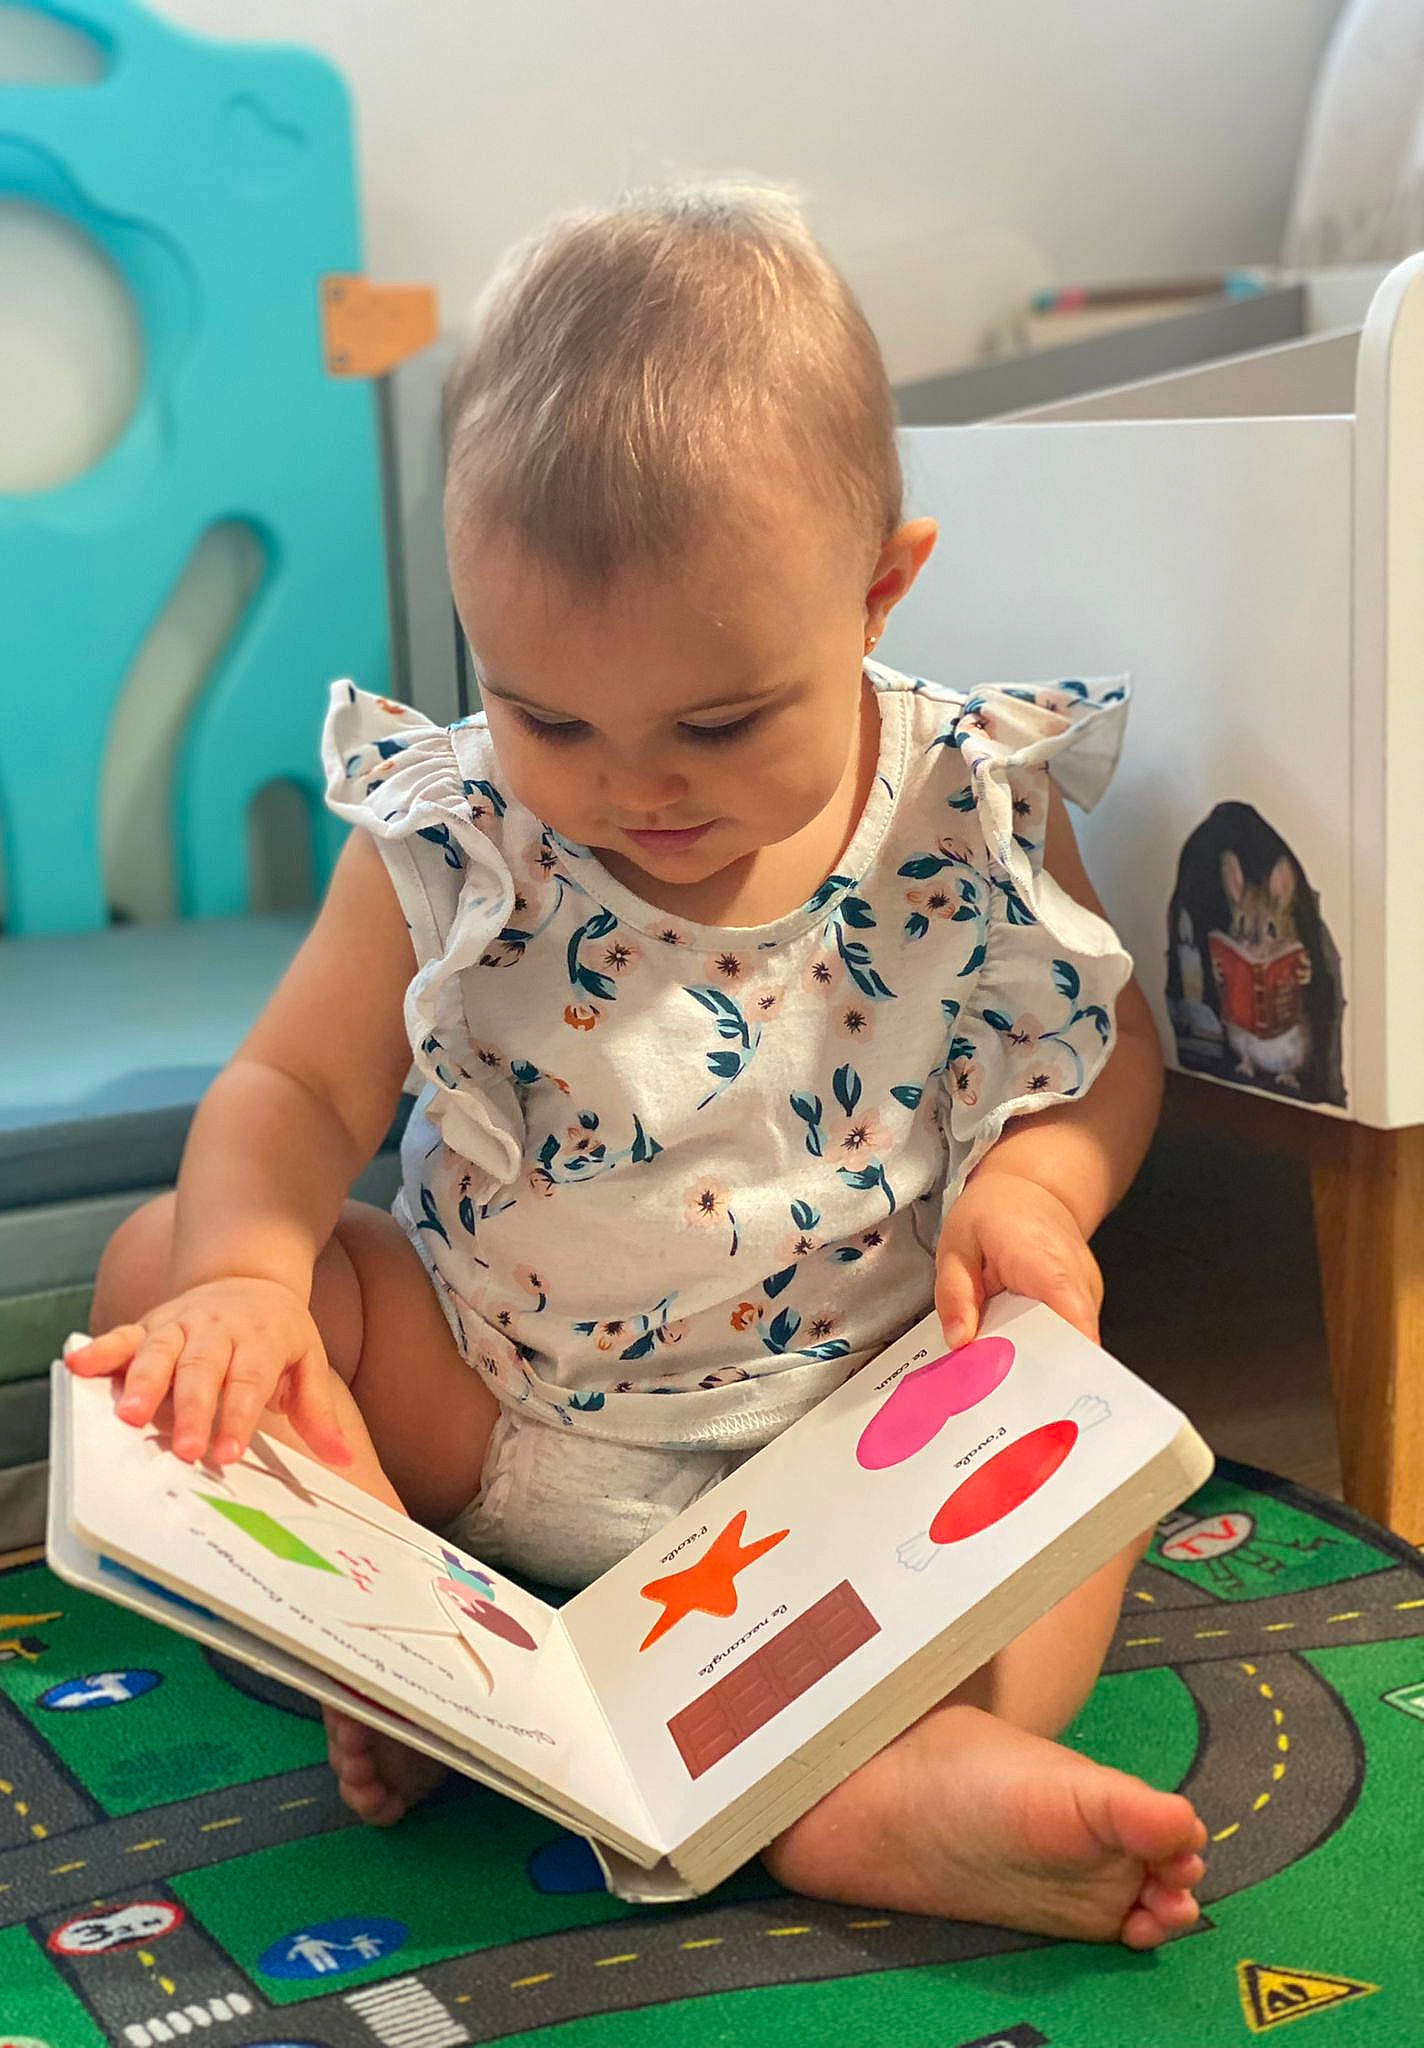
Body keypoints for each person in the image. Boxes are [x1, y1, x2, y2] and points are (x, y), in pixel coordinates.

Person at [69, 182, 1206, 1947]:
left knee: (1073, 1383)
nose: (635, 789)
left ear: (880, 588)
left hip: (865, 1443)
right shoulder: (455, 836)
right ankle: (398, 1635)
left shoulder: (966, 792)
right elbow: (293, 1100)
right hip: (495, 1425)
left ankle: (890, 1775)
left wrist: (1039, 1194)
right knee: (166, 1282)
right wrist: (244, 1282)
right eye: (551, 716)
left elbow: (1103, 1045)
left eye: (721, 721)